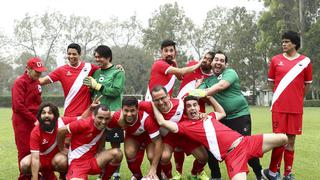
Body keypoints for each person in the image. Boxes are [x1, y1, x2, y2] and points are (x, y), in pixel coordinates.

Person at [152, 95, 288, 180]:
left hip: (246, 141)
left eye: (194, 105)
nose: (192, 108)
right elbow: (162, 122)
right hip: (233, 156)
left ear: (199, 107)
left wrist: (209, 97)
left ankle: (271, 172)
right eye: (189, 106)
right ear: (186, 110)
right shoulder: (185, 126)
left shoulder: (209, 116)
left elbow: (222, 112)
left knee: (283, 138)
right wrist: (153, 103)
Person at [194, 50, 263, 179]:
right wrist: (198, 89)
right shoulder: (208, 80)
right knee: (210, 143)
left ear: (225, 64)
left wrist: (203, 92)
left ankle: (259, 173)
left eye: (222, 60)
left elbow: (221, 86)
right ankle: (216, 175)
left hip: (239, 115)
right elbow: (195, 95)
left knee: (245, 146)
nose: (218, 62)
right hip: (222, 117)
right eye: (216, 60)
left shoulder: (230, 73)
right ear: (212, 62)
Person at [261, 31, 312, 180]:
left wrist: (296, 98)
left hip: (295, 109)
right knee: (279, 140)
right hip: (279, 108)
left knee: (291, 141)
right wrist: (280, 97)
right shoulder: (276, 60)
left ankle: (287, 173)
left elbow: (307, 85)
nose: (283, 44)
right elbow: (271, 82)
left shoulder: (306, 61)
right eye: (282, 41)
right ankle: (272, 172)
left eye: (287, 41)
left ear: (295, 44)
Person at [140, 85, 210, 180]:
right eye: (156, 100)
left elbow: (192, 110)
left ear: (168, 96)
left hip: (185, 135)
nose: (160, 102)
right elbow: (133, 104)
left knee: (203, 157)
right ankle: (169, 177)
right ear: (152, 100)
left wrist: (201, 114)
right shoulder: (149, 106)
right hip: (169, 139)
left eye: (162, 98)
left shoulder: (181, 104)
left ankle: (194, 173)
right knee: (164, 157)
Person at [83, 45, 125, 180]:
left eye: (99, 57)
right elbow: (93, 92)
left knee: (115, 143)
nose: (97, 59)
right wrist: (90, 89)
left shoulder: (118, 72)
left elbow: (116, 91)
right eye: (95, 57)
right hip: (98, 116)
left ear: (108, 57)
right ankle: (102, 172)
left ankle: (116, 173)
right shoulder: (96, 72)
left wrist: (98, 86)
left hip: (113, 114)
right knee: (99, 144)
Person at [173, 51, 214, 178]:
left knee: (201, 146)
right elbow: (180, 74)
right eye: (204, 58)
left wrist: (199, 91)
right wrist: (175, 64)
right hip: (180, 111)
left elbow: (209, 97)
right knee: (178, 146)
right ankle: (178, 173)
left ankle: (197, 171)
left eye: (208, 59)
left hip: (197, 114)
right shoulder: (192, 65)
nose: (205, 60)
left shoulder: (212, 79)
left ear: (212, 63)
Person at [57, 104, 123, 180]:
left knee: (118, 153)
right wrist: (62, 149)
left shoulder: (107, 123)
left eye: (106, 118)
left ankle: (105, 178)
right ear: (93, 116)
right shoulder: (83, 123)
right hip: (78, 163)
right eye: (100, 118)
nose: (104, 121)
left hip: (94, 160)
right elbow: (60, 131)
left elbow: (124, 112)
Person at [107, 96, 163, 180]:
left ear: (137, 109)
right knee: (129, 153)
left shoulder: (146, 119)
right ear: (122, 109)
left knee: (152, 155)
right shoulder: (117, 116)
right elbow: (101, 126)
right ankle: (138, 176)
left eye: (132, 110)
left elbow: (159, 143)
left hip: (149, 136)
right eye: (126, 110)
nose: (129, 114)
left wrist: (153, 168)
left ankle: (157, 175)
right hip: (132, 136)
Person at [39, 43, 99, 117]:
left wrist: (117, 68)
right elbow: (42, 81)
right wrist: (25, 78)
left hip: (87, 114)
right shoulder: (61, 70)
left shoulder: (89, 67)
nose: (71, 56)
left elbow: (106, 70)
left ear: (80, 54)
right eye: (69, 54)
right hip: (70, 114)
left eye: (74, 54)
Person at [11, 57, 47, 180]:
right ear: (28, 69)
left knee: (37, 148)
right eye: (37, 71)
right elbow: (18, 106)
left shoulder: (37, 82)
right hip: (22, 121)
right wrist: (34, 119)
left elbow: (38, 102)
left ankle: (37, 174)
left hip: (35, 120)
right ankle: (24, 177)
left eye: (40, 71)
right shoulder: (20, 82)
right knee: (24, 150)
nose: (39, 74)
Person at [19, 103, 70, 180]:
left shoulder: (61, 122)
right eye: (43, 113)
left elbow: (81, 119)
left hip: (57, 157)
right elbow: (35, 158)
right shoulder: (35, 132)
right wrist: (34, 178)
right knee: (24, 164)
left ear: (55, 116)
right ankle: (41, 177)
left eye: (50, 113)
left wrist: (91, 109)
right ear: (39, 116)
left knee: (62, 161)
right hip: (41, 158)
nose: (46, 115)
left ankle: (64, 176)